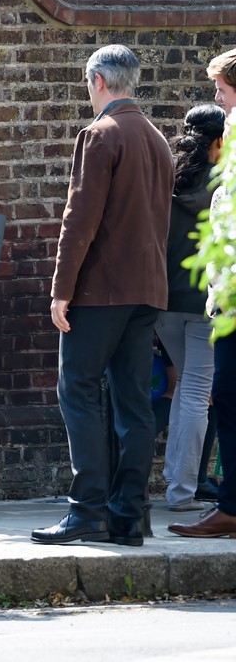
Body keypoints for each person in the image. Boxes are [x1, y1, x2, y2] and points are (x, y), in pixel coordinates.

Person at [31, 44, 173, 547]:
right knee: (134, 403)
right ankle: (129, 515)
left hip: (101, 289)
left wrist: (60, 290)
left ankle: (86, 509)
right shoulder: (157, 139)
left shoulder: (100, 134)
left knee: (78, 390)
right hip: (148, 290)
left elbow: (79, 221)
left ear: (98, 82)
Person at [170, 50, 236, 539]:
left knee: (212, 395)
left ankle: (214, 499)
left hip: (211, 298)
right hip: (214, 299)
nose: (219, 99)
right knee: (212, 394)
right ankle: (213, 496)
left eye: (222, 90)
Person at [155, 104, 223, 512]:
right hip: (204, 304)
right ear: (219, 140)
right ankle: (182, 491)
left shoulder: (167, 180)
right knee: (198, 393)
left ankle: (174, 479)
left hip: (164, 303)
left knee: (186, 391)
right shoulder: (225, 186)